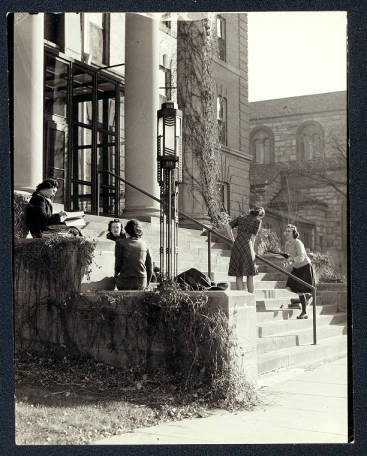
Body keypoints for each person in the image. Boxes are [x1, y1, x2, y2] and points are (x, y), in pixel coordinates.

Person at [227, 207, 265, 293]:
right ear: (259, 215)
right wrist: (253, 251)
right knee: (250, 274)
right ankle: (251, 298)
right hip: (247, 245)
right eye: (261, 217)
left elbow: (228, 226)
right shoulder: (257, 221)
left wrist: (233, 240)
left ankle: (241, 298)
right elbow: (253, 238)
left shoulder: (241, 217)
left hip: (237, 245)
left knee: (239, 274)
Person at [283, 224, 314, 319]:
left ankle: (304, 312)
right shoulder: (287, 243)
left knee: (301, 291)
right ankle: (306, 298)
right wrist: (286, 263)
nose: (287, 232)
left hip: (305, 267)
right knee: (291, 287)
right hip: (296, 267)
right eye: (286, 230)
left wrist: (291, 260)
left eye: (289, 231)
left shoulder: (298, 243)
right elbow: (289, 257)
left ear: (293, 233)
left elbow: (301, 257)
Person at [114, 219, 152, 290]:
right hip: (141, 282)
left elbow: (117, 265)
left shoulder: (120, 243)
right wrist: (147, 284)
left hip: (125, 282)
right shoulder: (145, 244)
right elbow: (150, 268)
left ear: (127, 231)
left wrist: (115, 277)